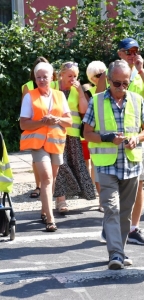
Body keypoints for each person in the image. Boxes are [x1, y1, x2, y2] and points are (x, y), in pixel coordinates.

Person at [83, 59, 144, 269]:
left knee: (125, 212)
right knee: (111, 208)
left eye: (125, 83)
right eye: (117, 83)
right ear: (108, 80)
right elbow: (86, 133)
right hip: (106, 165)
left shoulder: (137, 100)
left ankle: (119, 253)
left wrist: (137, 139)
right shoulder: (96, 101)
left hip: (131, 164)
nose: (121, 88)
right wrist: (106, 138)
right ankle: (115, 254)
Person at [96, 38, 144, 246]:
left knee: (139, 184)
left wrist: (142, 71)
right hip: (112, 143)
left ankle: (132, 228)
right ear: (120, 54)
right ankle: (113, 228)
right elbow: (98, 99)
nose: (133, 55)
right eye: (129, 51)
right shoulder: (111, 73)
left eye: (136, 51)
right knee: (114, 192)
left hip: (138, 139)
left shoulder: (143, 74)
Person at [20, 62, 72, 231]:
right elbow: (23, 124)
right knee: (47, 178)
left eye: (45, 77)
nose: (41, 80)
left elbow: (69, 121)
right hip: (38, 144)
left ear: (52, 77)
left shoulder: (59, 95)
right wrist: (41, 122)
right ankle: (50, 219)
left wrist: (57, 120)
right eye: (38, 77)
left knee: (52, 180)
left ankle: (44, 210)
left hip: (56, 143)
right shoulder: (30, 96)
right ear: (35, 79)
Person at [53, 62, 95, 213]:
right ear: (61, 74)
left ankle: (79, 193)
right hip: (55, 132)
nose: (73, 78)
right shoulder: (52, 86)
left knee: (77, 164)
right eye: (69, 75)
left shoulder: (77, 89)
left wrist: (80, 91)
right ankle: (61, 200)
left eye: (75, 76)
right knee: (60, 165)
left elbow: (84, 110)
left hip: (72, 133)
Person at [21, 56, 58, 199]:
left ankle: (49, 189)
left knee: (51, 163)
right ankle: (39, 186)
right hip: (36, 129)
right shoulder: (28, 87)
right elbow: (26, 110)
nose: (42, 79)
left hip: (53, 131)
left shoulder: (54, 85)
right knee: (38, 160)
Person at [84, 61, 107, 212]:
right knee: (98, 169)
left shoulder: (113, 89)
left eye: (105, 73)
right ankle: (101, 200)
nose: (104, 77)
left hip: (110, 134)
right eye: (100, 75)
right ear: (93, 78)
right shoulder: (90, 92)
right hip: (96, 135)